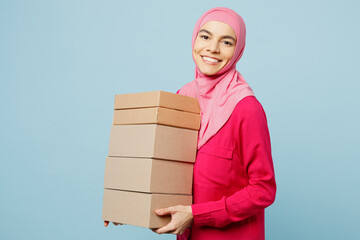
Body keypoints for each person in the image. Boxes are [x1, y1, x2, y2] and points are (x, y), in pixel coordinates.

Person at [153, 7, 277, 240]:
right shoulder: (182, 98)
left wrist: (197, 215)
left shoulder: (246, 108)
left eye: (227, 42)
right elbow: (168, 169)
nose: (212, 48)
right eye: (205, 36)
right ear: (194, 39)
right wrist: (132, 204)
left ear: (238, 50)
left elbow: (264, 190)